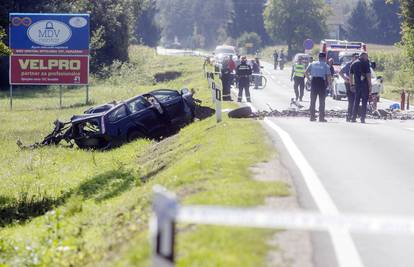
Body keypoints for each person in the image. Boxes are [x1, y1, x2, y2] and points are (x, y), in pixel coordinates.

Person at [305, 52, 331, 122]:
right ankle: (321, 118)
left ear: (318, 57)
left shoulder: (312, 64)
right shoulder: (326, 65)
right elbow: (328, 76)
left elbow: (306, 72)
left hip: (314, 82)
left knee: (313, 100)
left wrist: (309, 79)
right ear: (324, 58)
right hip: (321, 83)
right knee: (322, 101)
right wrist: (329, 85)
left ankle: (312, 117)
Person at [350, 52, 372, 123]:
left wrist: (351, 85)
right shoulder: (366, 63)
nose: (367, 58)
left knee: (356, 101)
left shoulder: (353, 63)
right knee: (364, 102)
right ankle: (362, 118)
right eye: (367, 57)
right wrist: (370, 85)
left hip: (357, 85)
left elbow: (350, 75)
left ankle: (353, 117)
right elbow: (368, 75)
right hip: (364, 85)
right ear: (364, 56)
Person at [339, 53, 359, 122]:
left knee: (355, 101)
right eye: (355, 57)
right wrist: (345, 79)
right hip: (348, 83)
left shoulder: (359, 64)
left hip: (356, 84)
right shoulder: (348, 64)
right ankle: (349, 116)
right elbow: (340, 72)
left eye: (357, 57)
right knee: (351, 101)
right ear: (352, 57)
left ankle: (353, 116)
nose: (357, 58)